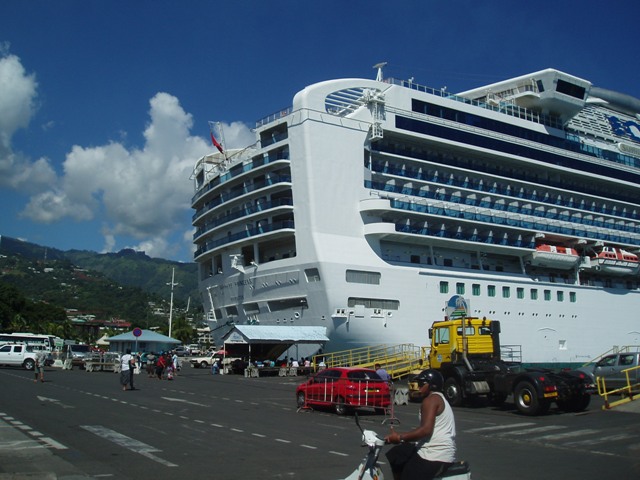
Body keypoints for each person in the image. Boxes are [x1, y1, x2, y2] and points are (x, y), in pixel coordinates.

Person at [384, 369, 456, 480]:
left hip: (434, 455)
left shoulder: (431, 400)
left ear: (432, 385)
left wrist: (399, 437)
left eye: (422, 383)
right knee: (397, 454)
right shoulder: (439, 398)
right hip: (437, 450)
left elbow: (426, 430)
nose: (419, 386)